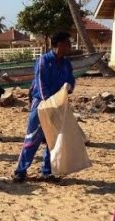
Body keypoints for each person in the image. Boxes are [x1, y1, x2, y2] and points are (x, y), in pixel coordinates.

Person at [12, 31, 75, 183]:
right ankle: (20, 171)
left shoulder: (66, 64)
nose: (70, 46)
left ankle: (47, 171)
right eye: (67, 43)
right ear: (58, 44)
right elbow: (41, 84)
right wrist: (49, 102)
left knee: (52, 140)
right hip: (41, 104)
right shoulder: (43, 61)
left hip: (58, 104)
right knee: (33, 137)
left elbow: (71, 80)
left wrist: (70, 88)